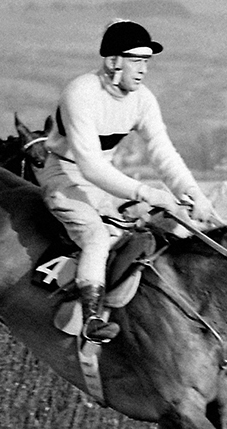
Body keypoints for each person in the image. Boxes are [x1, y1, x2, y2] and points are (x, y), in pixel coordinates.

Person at [38, 19, 215, 343]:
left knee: (162, 229)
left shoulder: (143, 99)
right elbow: (89, 166)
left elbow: (163, 153)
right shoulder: (80, 93)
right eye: (136, 60)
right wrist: (149, 193)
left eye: (146, 61)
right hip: (64, 174)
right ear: (112, 62)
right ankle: (91, 319)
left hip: (105, 180)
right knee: (96, 237)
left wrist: (192, 193)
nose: (144, 69)